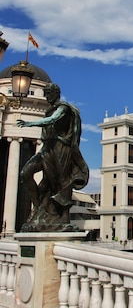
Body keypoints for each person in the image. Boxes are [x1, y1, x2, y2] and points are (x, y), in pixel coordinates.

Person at [17, 82, 89, 231]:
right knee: (25, 173)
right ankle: (38, 208)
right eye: (45, 94)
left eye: (48, 94)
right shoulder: (50, 109)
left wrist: (29, 124)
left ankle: (64, 217)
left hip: (60, 148)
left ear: (56, 94)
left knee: (61, 182)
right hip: (47, 148)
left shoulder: (63, 108)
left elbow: (51, 120)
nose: (46, 97)